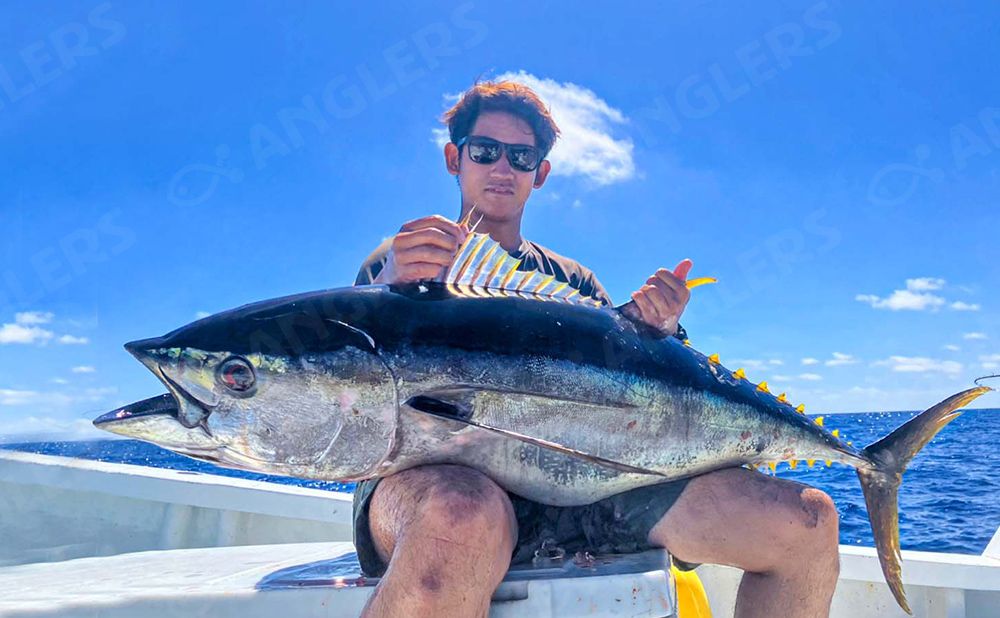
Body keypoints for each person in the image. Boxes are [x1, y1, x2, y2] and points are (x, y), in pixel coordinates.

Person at [352, 81, 840, 618]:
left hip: (580, 482)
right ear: (454, 158)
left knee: (806, 522)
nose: (502, 168)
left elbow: (634, 387)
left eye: (522, 157)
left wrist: (661, 330)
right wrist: (393, 285)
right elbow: (358, 377)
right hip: (428, 477)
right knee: (460, 516)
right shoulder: (404, 259)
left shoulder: (574, 283)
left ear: (540, 174)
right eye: (485, 151)